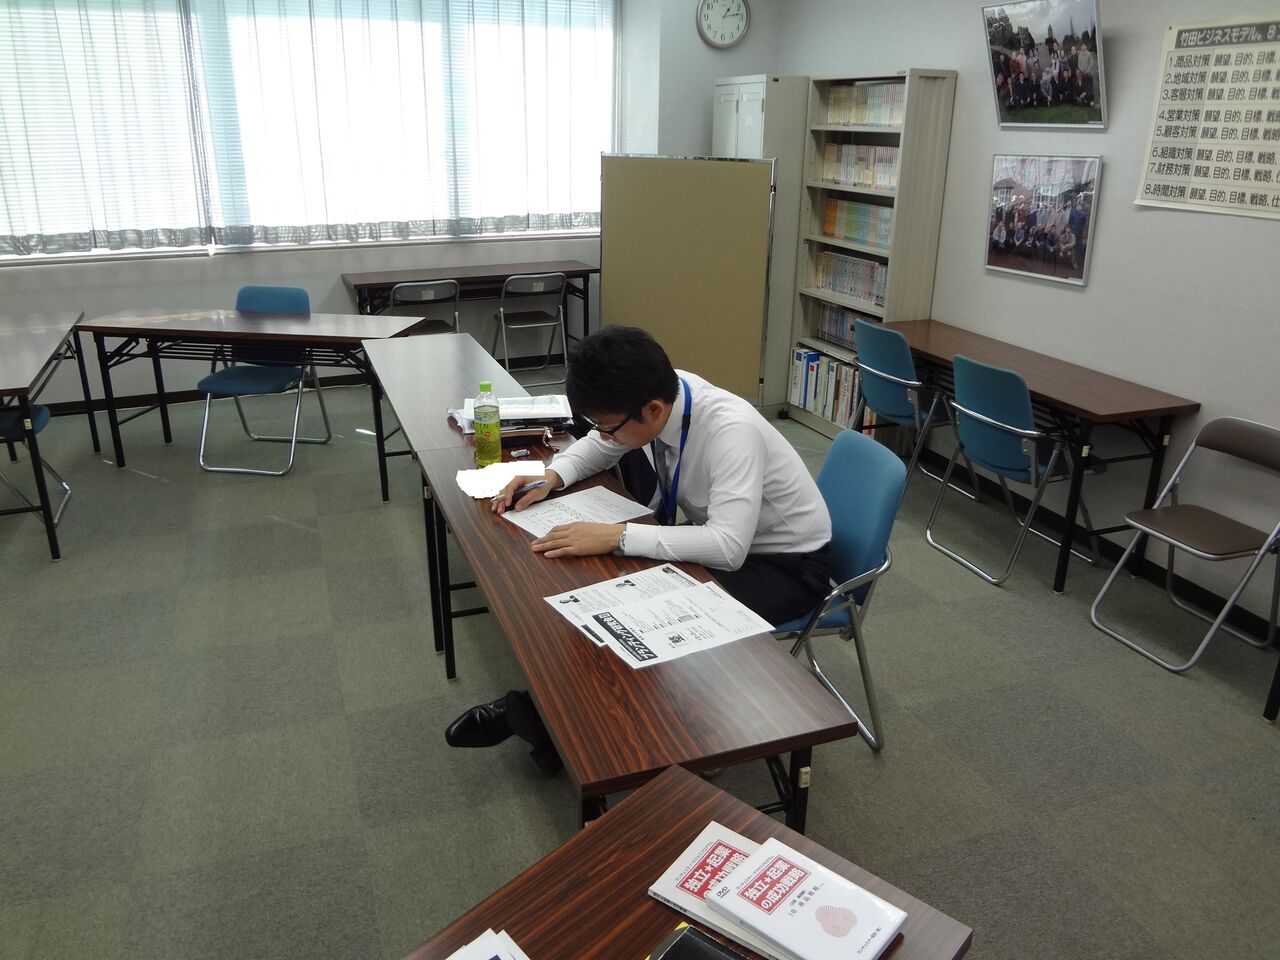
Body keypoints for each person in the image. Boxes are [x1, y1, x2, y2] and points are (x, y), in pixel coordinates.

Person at [443, 326, 834, 769]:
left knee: (643, 612)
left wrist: (617, 536)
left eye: (609, 426)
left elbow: (728, 548)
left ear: (652, 410)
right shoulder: (662, 394)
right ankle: (561, 726)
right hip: (729, 542)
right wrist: (551, 476)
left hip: (786, 568)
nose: (603, 435)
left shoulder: (731, 430)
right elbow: (600, 446)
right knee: (614, 590)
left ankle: (587, 729)